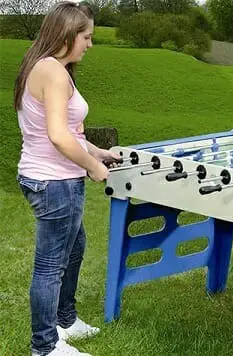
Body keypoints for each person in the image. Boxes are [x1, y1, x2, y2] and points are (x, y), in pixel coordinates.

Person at [14, 2, 120, 355]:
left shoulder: (47, 66)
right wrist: (93, 167)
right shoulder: (54, 72)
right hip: (54, 182)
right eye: (86, 36)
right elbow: (59, 138)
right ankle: (44, 347)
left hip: (51, 177)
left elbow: (67, 132)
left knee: (74, 249)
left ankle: (65, 321)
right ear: (67, 35)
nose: (90, 44)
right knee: (50, 266)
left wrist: (99, 153)